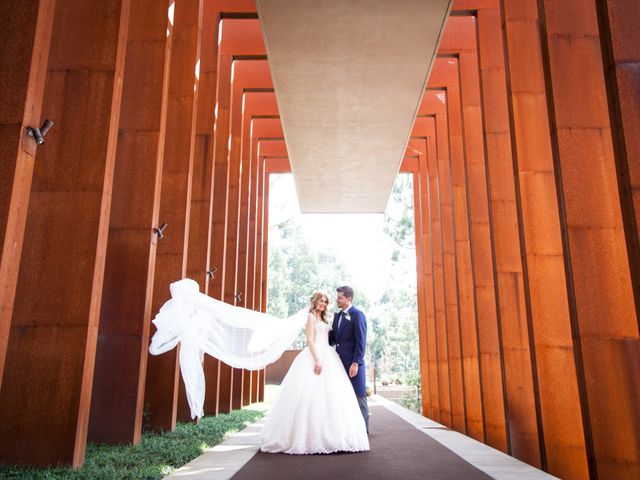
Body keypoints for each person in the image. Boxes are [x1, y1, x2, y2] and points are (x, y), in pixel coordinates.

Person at [260, 292, 370, 454]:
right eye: (321, 301)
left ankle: (337, 432)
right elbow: (310, 340)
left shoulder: (326, 319)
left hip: (330, 356)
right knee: (309, 395)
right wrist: (317, 359)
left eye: (326, 301)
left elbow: (332, 338)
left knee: (333, 396)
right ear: (315, 301)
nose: (323, 304)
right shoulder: (310, 317)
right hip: (315, 356)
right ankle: (305, 436)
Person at [329, 285, 369, 433]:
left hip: (353, 364)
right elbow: (333, 341)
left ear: (348, 299)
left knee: (359, 397)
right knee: (342, 397)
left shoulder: (357, 315)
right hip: (338, 364)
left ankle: (364, 430)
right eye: (337, 297)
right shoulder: (337, 316)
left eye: (340, 297)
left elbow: (361, 341)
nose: (337, 300)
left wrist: (356, 362)